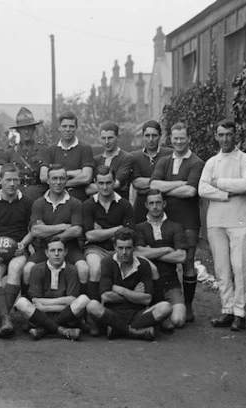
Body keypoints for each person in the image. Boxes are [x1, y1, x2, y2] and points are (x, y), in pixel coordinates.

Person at [198, 120, 246, 332]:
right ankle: (227, 310)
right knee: (222, 269)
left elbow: (245, 184)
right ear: (216, 136)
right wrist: (225, 194)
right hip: (216, 221)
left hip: (239, 221)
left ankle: (240, 313)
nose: (225, 139)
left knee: (240, 268)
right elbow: (202, 189)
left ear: (235, 135)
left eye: (228, 134)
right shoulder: (212, 162)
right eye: (221, 135)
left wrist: (218, 183)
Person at [150, 122, 205, 323]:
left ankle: (188, 306)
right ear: (170, 139)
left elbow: (191, 191)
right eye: (175, 138)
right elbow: (153, 184)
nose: (179, 142)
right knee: (163, 257)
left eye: (182, 138)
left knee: (187, 262)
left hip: (188, 220)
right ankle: (165, 299)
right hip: (167, 220)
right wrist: (178, 184)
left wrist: (167, 189)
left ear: (188, 138)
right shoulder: (164, 161)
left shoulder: (196, 162)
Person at [86, 228, 172, 341]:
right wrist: (134, 294)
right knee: (92, 306)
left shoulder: (143, 264)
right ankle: (132, 332)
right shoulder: (107, 262)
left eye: (128, 248)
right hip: (113, 314)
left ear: (134, 248)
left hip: (138, 314)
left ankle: (118, 330)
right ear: (114, 247)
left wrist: (121, 290)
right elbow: (106, 296)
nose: (124, 252)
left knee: (165, 307)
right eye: (120, 248)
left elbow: (147, 299)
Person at [0, 163, 34, 337]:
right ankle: (5, 317)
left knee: (16, 268)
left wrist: (23, 245)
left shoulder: (27, 201)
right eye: (8, 180)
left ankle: (1, 319)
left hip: (17, 248)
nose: (12, 183)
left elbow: (32, 230)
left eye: (15, 180)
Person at [24, 164, 87, 298]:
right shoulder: (39, 203)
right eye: (54, 178)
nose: (58, 182)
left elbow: (76, 231)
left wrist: (47, 230)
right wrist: (63, 226)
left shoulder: (75, 203)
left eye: (62, 178)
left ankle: (83, 311)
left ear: (66, 180)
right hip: (44, 249)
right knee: (27, 270)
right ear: (47, 180)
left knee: (83, 269)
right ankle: (28, 310)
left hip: (70, 249)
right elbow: (35, 231)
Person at [82, 166, 134, 314]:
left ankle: (121, 311)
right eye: (101, 183)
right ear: (95, 183)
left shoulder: (124, 205)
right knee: (96, 268)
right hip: (95, 248)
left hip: (118, 248)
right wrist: (117, 228)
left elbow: (129, 235)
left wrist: (101, 231)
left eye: (109, 183)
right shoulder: (88, 205)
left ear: (114, 182)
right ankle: (93, 314)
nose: (105, 187)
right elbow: (90, 236)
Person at [134, 190, 188, 331]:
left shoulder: (176, 227)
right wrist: (168, 250)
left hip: (171, 283)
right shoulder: (140, 227)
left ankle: (160, 318)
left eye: (158, 202)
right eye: (151, 203)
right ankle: (159, 317)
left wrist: (150, 251)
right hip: (149, 285)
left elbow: (181, 256)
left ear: (164, 203)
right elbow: (138, 253)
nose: (155, 206)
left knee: (178, 320)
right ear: (146, 205)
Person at [14, 237, 87, 341]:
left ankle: (44, 329)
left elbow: (71, 300)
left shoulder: (72, 270)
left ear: (65, 252)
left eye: (60, 250)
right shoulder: (37, 269)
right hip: (42, 314)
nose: (56, 254)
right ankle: (62, 331)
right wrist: (61, 302)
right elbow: (35, 301)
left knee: (84, 299)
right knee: (21, 302)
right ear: (46, 253)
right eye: (52, 250)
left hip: (64, 315)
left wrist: (45, 307)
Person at [40, 111, 94, 202]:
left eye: (71, 126)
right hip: (53, 199)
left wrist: (58, 183)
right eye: (64, 126)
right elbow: (43, 176)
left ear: (76, 127)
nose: (68, 129)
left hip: (78, 197)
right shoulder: (50, 149)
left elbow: (86, 177)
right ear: (59, 128)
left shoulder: (85, 148)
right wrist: (73, 173)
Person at [131, 120, 173, 224]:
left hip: (165, 203)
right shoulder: (134, 156)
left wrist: (147, 184)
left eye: (154, 135)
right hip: (141, 204)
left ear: (160, 136)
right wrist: (161, 183)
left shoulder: (169, 154)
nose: (151, 139)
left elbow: (171, 179)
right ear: (142, 136)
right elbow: (136, 183)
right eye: (147, 135)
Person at [5, 107, 48, 202]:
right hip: (16, 197)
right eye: (23, 128)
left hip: (38, 197)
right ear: (18, 131)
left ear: (34, 129)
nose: (26, 131)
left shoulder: (44, 150)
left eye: (29, 128)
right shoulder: (10, 152)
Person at [86, 121, 133, 200]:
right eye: (103, 138)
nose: (106, 142)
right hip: (99, 206)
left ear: (117, 137)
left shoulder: (126, 158)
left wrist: (95, 187)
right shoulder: (96, 160)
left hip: (120, 205)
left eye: (110, 138)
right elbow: (87, 188)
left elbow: (117, 183)